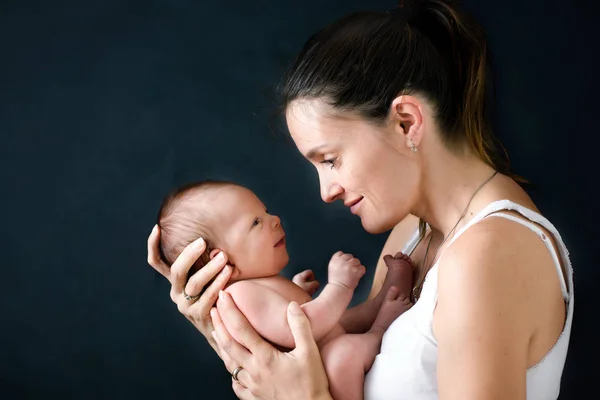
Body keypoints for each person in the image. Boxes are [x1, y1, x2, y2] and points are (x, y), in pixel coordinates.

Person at [147, 0, 575, 399]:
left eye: (330, 159)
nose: (325, 191)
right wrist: (228, 328)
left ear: (406, 122)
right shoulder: (412, 233)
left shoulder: (487, 255)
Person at [155, 180, 415, 399]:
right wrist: (340, 286)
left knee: (343, 324)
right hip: (322, 379)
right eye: (256, 222)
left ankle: (384, 297)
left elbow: (280, 319)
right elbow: (300, 329)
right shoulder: (237, 296)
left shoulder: (256, 285)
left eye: (266, 211)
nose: (274, 219)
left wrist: (294, 292)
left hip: (320, 357)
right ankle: (381, 327)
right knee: (342, 353)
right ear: (220, 261)